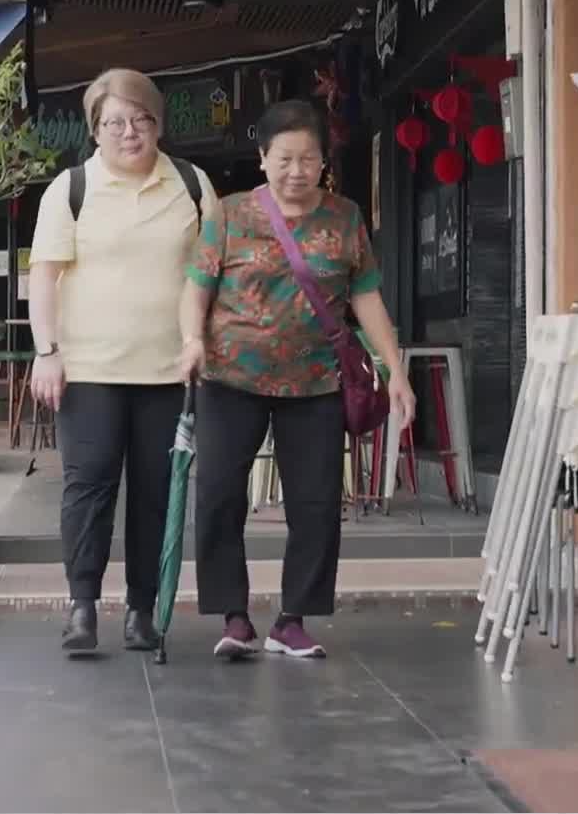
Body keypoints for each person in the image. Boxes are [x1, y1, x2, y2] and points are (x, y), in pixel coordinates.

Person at [177, 99, 416, 659]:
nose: (296, 170)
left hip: (315, 383)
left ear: (323, 163)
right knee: (217, 496)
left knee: (314, 503)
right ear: (263, 159)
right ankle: (233, 616)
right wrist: (191, 341)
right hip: (230, 377)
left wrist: (395, 370)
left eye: (308, 159)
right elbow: (197, 288)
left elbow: (365, 295)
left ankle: (293, 618)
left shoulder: (345, 217)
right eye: (284, 158)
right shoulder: (231, 214)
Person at [27, 68, 221, 654]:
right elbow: (44, 274)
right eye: (115, 122)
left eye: (141, 120)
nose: (129, 132)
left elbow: (209, 271)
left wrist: (199, 338)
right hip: (88, 371)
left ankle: (143, 610)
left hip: (168, 370)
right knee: (88, 489)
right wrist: (47, 353)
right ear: (95, 129)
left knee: (156, 493)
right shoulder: (70, 189)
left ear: (157, 124)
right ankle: (81, 607)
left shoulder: (192, 184)